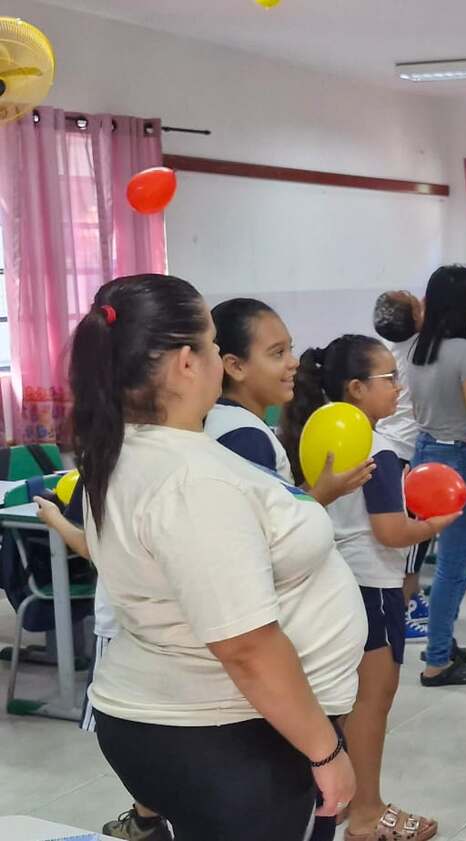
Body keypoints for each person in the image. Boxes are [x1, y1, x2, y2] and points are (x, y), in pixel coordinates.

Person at [68, 274, 363, 841]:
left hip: (176, 721)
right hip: (228, 734)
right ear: (186, 362)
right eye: (208, 344)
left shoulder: (124, 451)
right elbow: (246, 646)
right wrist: (325, 754)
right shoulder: (194, 479)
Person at [285, 333, 462, 841]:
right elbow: (390, 531)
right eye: (389, 378)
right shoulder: (378, 448)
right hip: (371, 587)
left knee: (351, 701)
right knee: (371, 703)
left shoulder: (325, 434)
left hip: (342, 580)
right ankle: (366, 812)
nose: (399, 387)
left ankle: (343, 803)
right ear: (356, 388)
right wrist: (437, 523)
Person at [35, 491, 172, 841]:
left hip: (125, 621)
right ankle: (150, 816)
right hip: (167, 620)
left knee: (126, 734)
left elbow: (96, 549)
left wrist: (55, 520)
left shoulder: (109, 465)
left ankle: (148, 820)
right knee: (150, 730)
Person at [406, 265, 466, 686]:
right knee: (454, 563)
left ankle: (442, 638)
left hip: (427, 454)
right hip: (460, 460)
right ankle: (437, 659)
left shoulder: (419, 349)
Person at [210, 297, 373, 504]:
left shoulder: (229, 421)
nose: (293, 362)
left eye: (290, 349)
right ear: (235, 367)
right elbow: (271, 528)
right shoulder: (245, 437)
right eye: (278, 353)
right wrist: (323, 495)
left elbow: (280, 503)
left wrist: (316, 487)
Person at [373, 291, 433, 638]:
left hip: (393, 445)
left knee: (413, 543)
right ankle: (403, 607)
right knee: (410, 544)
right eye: (416, 303)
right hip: (407, 453)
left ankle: (414, 595)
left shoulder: (383, 348)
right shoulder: (420, 349)